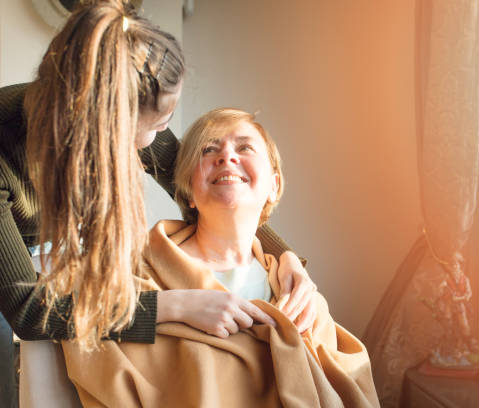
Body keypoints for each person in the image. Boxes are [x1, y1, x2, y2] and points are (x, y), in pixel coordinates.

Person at [0, 0, 316, 403]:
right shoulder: (11, 145)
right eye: (160, 125)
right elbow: (28, 312)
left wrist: (284, 254)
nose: (162, 139)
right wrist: (172, 306)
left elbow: (198, 193)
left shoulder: (126, 92)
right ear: (109, 128)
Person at [62, 108, 379, 407]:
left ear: (274, 185)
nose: (227, 156)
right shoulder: (133, 273)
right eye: (208, 150)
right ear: (187, 191)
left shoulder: (301, 299)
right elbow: (76, 326)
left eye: (245, 148)